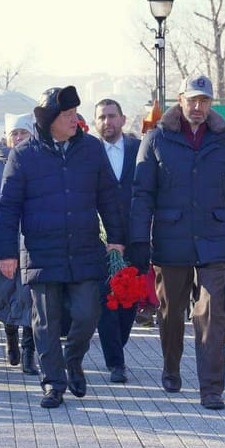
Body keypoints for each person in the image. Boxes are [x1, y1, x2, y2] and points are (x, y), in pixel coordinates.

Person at [0, 86, 125, 409]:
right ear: (50, 119)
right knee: (46, 321)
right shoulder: (23, 155)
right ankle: (53, 383)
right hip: (41, 251)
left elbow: (108, 196)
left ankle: (73, 359)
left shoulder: (91, 149)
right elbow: (8, 207)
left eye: (75, 113)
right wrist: (7, 253)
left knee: (87, 313)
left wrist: (116, 237)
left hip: (84, 247)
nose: (74, 119)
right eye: (67, 115)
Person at [128, 75, 225, 410]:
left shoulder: (224, 141)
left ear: (210, 104)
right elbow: (142, 194)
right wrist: (139, 238)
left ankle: (211, 389)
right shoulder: (156, 139)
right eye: (192, 100)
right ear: (180, 100)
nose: (198, 107)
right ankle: (171, 366)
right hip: (171, 240)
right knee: (171, 312)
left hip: (215, 238)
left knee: (211, 312)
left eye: (204, 101)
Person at [93, 97, 140, 384]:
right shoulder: (89, 151)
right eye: (101, 117)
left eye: (112, 116)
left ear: (122, 119)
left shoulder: (139, 149)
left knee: (129, 299)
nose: (107, 122)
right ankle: (116, 362)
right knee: (106, 300)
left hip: (136, 237)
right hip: (101, 241)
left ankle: (118, 345)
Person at [0, 112, 39, 374]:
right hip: (4, 241)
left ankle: (29, 351)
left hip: (31, 239)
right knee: (6, 294)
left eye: (23, 133)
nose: (19, 138)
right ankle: (10, 336)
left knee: (30, 296)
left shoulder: (39, 160)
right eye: (14, 134)